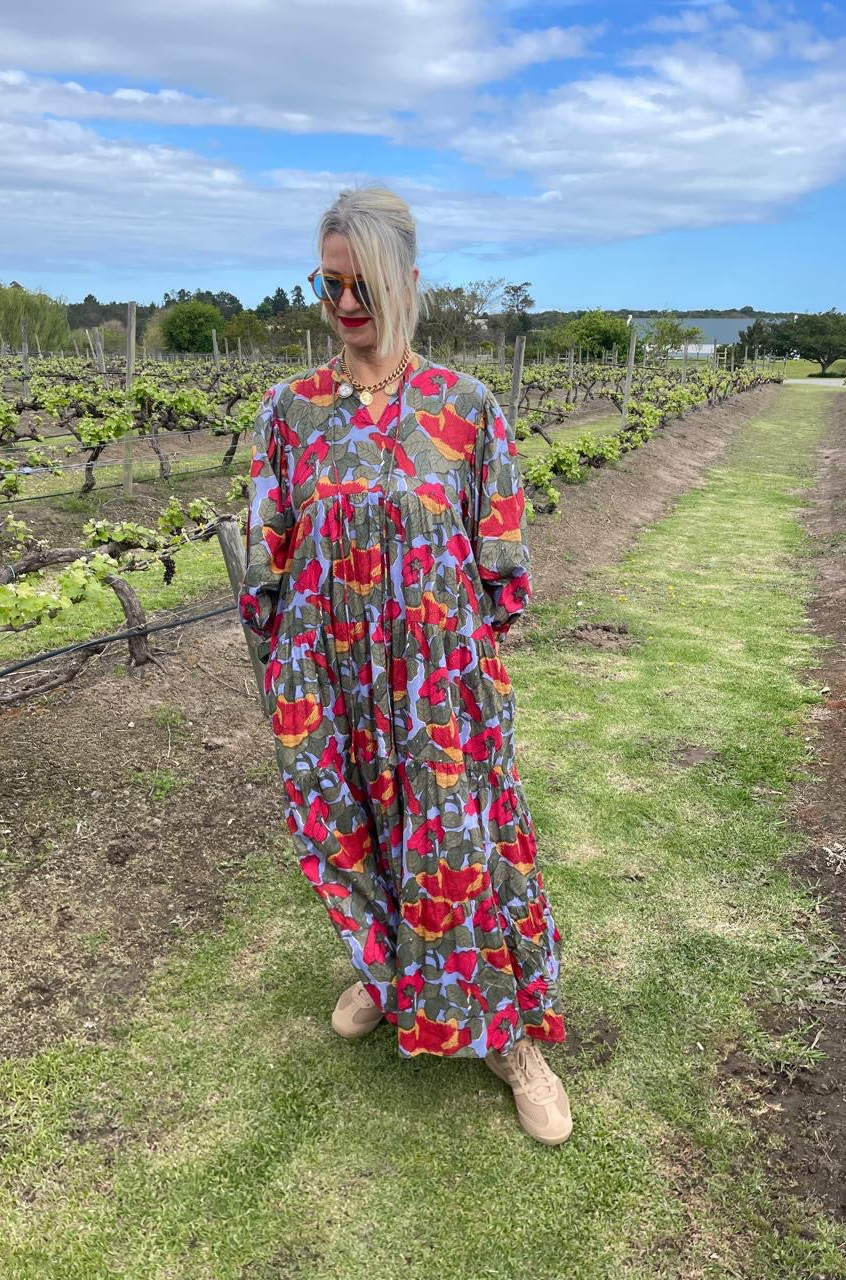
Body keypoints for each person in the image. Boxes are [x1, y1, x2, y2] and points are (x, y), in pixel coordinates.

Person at [238, 186, 571, 1146]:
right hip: (329, 676)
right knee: (353, 836)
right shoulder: (291, 412)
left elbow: (502, 564)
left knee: (460, 848)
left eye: (365, 285)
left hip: (436, 679)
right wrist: (289, 654)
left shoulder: (465, 408)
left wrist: (448, 660)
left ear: (408, 283)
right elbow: (269, 547)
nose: (346, 305)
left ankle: (511, 1040)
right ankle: (388, 976)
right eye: (329, 284)